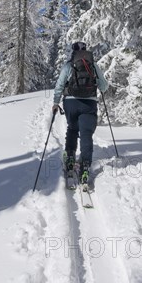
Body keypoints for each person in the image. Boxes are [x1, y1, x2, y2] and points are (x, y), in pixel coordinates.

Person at [52, 41, 108, 183]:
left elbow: (59, 85)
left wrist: (55, 102)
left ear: (73, 52)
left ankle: (70, 156)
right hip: (89, 103)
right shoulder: (93, 66)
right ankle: (85, 165)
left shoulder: (68, 65)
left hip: (70, 102)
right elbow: (104, 86)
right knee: (86, 133)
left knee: (72, 128)